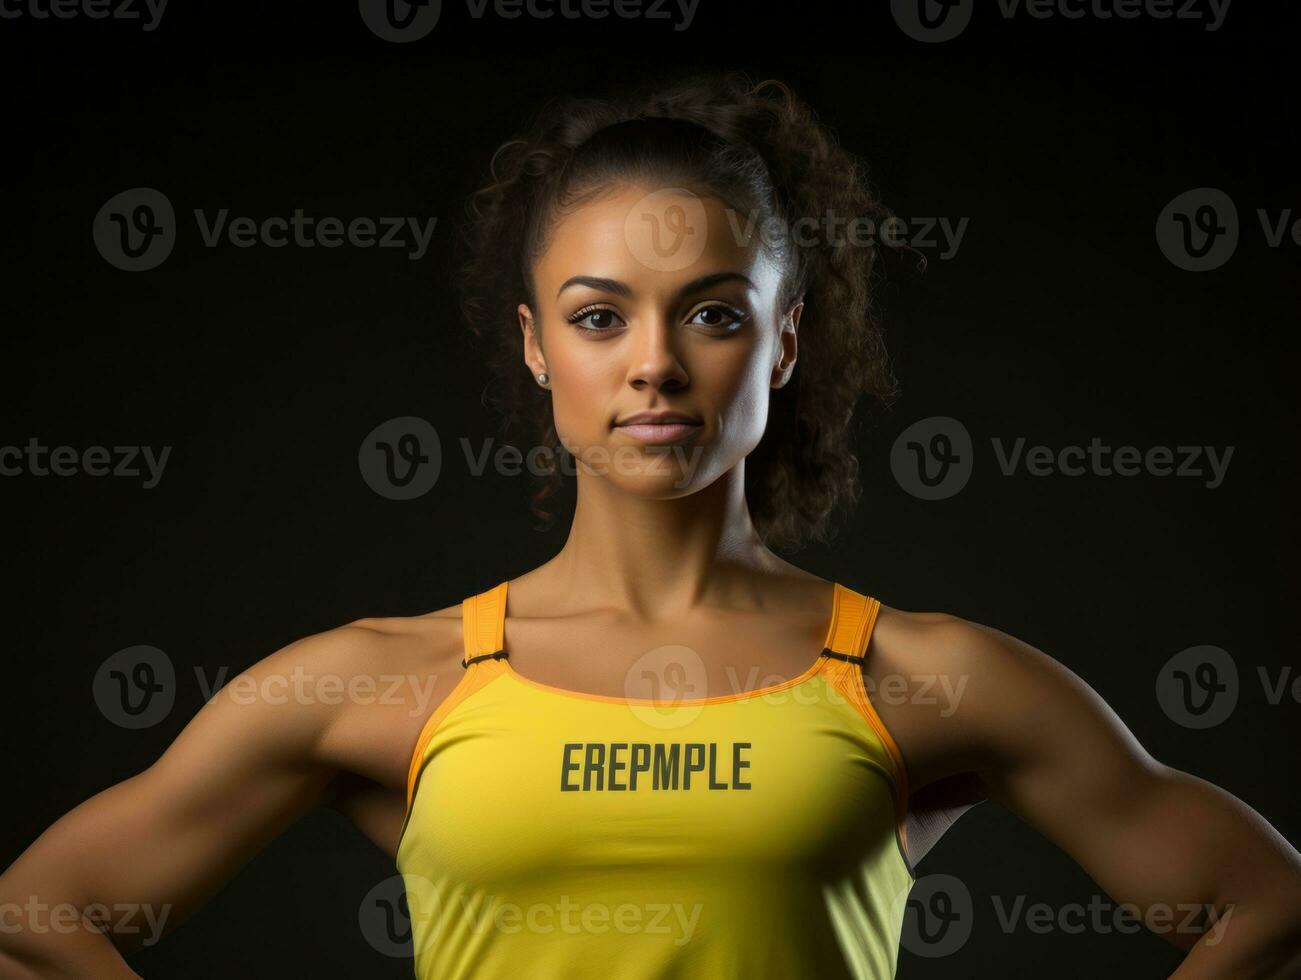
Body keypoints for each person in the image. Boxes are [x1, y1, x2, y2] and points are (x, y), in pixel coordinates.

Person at [2, 71, 1299, 980]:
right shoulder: (387, 681)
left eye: (714, 312)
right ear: (534, 348)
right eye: (598, 313)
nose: (654, 366)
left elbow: (1269, 911)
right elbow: (34, 922)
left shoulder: (921, 677)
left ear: (784, 342)